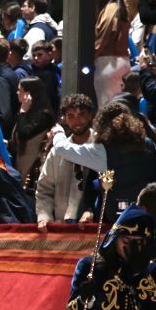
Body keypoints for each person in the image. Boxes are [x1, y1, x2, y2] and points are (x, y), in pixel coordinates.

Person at [35, 94, 95, 230]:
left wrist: (92, 211)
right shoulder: (57, 152)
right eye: (71, 116)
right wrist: (44, 216)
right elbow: (44, 189)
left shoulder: (101, 147)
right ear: (65, 119)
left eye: (81, 114)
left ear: (90, 116)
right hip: (61, 225)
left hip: (91, 225)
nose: (77, 121)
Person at [11, 77, 57, 184]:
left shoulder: (44, 115)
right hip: (21, 164)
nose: (17, 93)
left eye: (20, 90)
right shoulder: (29, 112)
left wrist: (22, 111)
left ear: (29, 95)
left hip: (32, 170)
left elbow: (24, 134)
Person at [94, 0, 132, 107]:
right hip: (123, 60)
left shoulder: (110, 10)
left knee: (107, 107)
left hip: (108, 62)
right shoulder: (122, 9)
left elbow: (102, 38)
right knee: (122, 105)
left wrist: (90, 55)